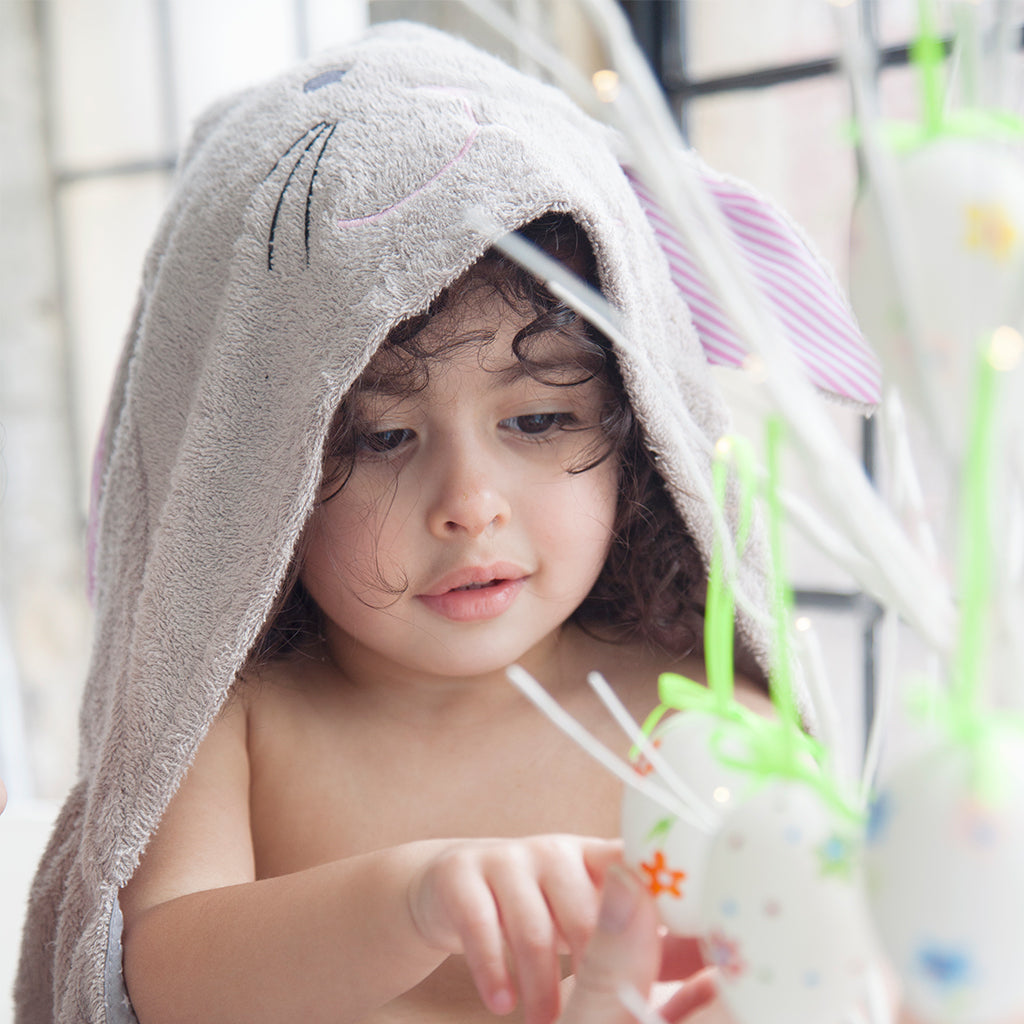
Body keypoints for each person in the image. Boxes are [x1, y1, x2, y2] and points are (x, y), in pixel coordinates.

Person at [15, 21, 864, 1024]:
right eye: (379, 437)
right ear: (260, 476)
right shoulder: (245, 723)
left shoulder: (690, 708)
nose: (470, 502)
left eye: (539, 418)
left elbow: (804, 957)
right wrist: (409, 901)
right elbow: (160, 974)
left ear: (638, 428)